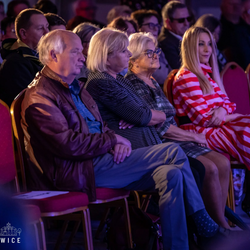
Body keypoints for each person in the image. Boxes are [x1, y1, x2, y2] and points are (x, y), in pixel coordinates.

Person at [21, 28, 226, 250]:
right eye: (76, 51)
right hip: (78, 170)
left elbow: (102, 124)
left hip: (99, 159)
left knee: (172, 174)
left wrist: (114, 138)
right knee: (173, 151)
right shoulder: (39, 96)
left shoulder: (76, 87)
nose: (83, 56)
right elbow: (67, 144)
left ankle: (177, 246)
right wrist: (112, 141)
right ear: (53, 55)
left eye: (82, 51)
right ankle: (205, 227)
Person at [124, 32, 230, 229]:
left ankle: (220, 220)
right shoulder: (134, 83)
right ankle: (215, 226)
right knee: (210, 168)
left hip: (176, 137)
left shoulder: (152, 81)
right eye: (149, 52)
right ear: (133, 59)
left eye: (156, 50)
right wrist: (194, 136)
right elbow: (159, 126)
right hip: (161, 142)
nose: (156, 55)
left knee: (223, 162)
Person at [172, 26, 250, 174]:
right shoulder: (187, 76)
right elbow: (205, 119)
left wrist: (221, 110)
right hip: (200, 132)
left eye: (210, 44)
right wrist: (233, 116)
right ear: (189, 47)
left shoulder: (206, 75)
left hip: (219, 128)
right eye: (201, 44)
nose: (207, 49)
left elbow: (228, 104)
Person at [0, 8, 49, 106]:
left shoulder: (41, 56)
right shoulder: (15, 64)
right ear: (23, 33)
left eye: (47, 27)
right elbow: (29, 103)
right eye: (40, 28)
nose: (47, 32)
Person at [131, 9, 171, 87]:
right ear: (138, 26)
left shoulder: (158, 47)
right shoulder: (136, 50)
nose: (156, 29)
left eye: (157, 25)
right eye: (151, 25)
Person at [158, 1, 192, 69]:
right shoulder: (165, 43)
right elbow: (179, 69)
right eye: (181, 20)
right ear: (167, 22)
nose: (186, 23)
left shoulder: (184, 38)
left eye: (188, 19)